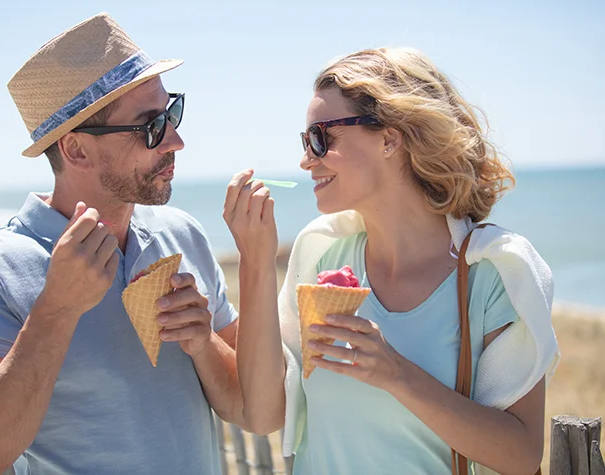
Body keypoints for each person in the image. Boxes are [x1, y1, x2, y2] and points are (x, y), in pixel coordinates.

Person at [224, 47, 559, 474]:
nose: (307, 159)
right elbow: (265, 412)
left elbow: (522, 455)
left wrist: (396, 373)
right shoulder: (321, 253)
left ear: (389, 138)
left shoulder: (492, 272)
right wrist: (256, 261)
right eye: (305, 141)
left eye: (320, 137)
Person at [0, 13, 245, 475]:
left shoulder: (182, 233)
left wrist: (205, 341)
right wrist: (57, 310)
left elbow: (251, 405)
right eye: (150, 126)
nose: (177, 141)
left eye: (173, 113)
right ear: (76, 149)